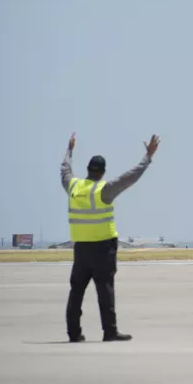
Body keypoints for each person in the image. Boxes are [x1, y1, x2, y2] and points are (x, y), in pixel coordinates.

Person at [60, 132, 160, 342]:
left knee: (76, 290)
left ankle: (73, 333)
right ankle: (110, 331)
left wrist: (69, 151)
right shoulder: (104, 189)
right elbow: (130, 177)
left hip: (81, 248)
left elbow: (65, 170)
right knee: (105, 290)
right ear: (103, 172)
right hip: (103, 248)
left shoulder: (74, 187)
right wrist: (148, 157)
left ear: (88, 170)